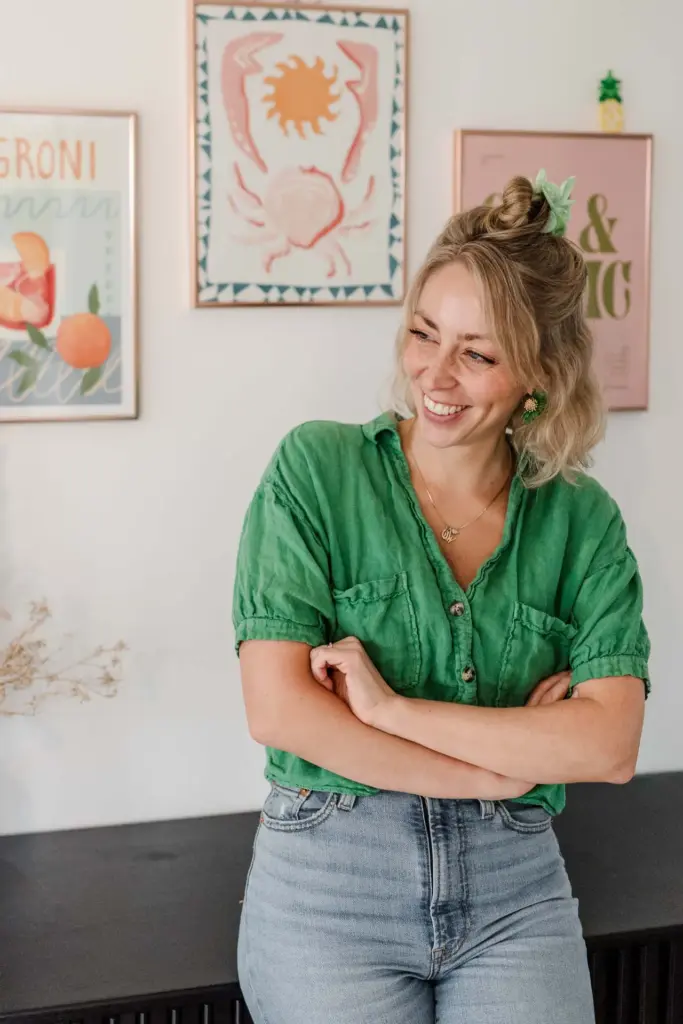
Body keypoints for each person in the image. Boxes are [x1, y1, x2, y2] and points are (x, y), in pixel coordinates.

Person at [232, 171, 650, 1024]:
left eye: (478, 354)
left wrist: (389, 711)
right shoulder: (316, 471)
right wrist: (501, 770)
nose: (436, 374)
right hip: (330, 886)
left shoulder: (580, 519)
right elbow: (280, 711)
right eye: (425, 334)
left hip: (514, 889)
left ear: (539, 375)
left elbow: (608, 744)